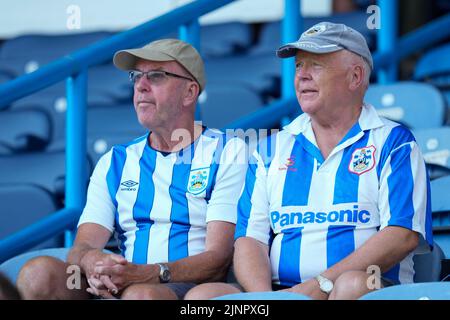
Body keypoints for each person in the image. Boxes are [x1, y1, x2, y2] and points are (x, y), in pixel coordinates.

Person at [185, 22, 433, 300]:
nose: (302, 76)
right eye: (299, 66)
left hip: (367, 288)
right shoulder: (271, 148)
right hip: (284, 292)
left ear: (355, 77)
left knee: (352, 284)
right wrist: (271, 300)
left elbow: (402, 234)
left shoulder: (394, 142)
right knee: (202, 298)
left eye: (315, 65)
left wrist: (319, 285)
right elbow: (249, 240)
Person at [16, 39, 247, 300]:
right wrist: (93, 261)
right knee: (38, 274)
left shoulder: (227, 151)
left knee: (141, 296)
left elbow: (218, 258)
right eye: (136, 76)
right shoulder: (115, 161)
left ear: (189, 92)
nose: (141, 85)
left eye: (156, 76)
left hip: (185, 287)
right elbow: (82, 247)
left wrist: (146, 273)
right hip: (122, 284)